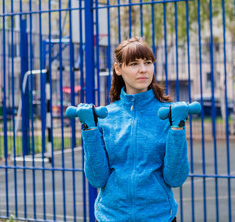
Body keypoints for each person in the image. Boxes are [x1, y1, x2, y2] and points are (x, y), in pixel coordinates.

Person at [77, 37, 190, 221]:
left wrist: (177, 128)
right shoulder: (107, 117)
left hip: (159, 217)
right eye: (134, 64)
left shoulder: (167, 115)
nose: (143, 69)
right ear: (118, 68)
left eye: (148, 62)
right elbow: (97, 179)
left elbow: (175, 178)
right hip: (110, 216)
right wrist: (89, 129)